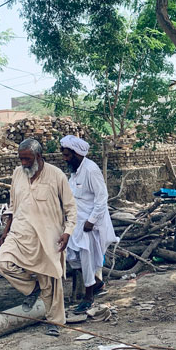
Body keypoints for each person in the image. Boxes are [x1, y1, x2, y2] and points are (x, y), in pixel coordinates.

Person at [0, 138, 78, 336]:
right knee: (1, 263)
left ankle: (55, 322)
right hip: (20, 232)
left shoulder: (56, 175)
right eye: (21, 158)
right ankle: (32, 289)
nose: (23, 163)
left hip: (48, 235)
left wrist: (67, 232)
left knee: (50, 281)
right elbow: (13, 205)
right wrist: (6, 230)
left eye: (27, 159)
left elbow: (71, 209)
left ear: (38, 156)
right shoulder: (17, 173)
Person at [60, 135, 119, 314]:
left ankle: (88, 297)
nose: (65, 158)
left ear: (77, 154)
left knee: (87, 259)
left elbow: (102, 197)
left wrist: (91, 221)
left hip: (90, 224)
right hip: (76, 222)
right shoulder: (74, 171)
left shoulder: (91, 169)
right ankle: (97, 283)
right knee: (71, 256)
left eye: (67, 155)